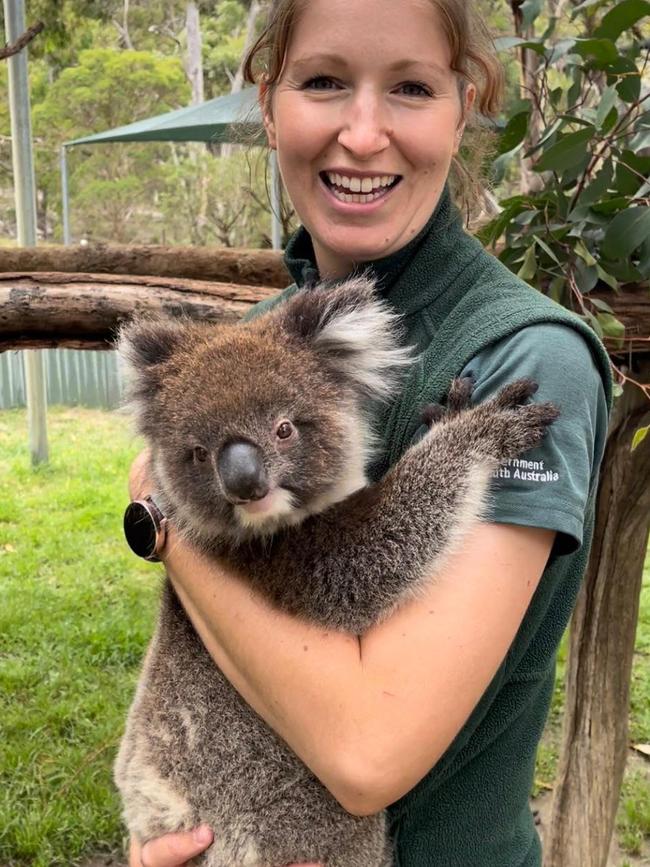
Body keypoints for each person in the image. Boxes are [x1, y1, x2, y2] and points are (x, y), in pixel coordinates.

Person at [126, 0, 612, 865]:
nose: (362, 133)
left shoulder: (530, 358)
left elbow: (366, 752)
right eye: (323, 81)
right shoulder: (265, 332)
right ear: (268, 102)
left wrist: (164, 522)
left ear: (467, 104)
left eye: (412, 88)